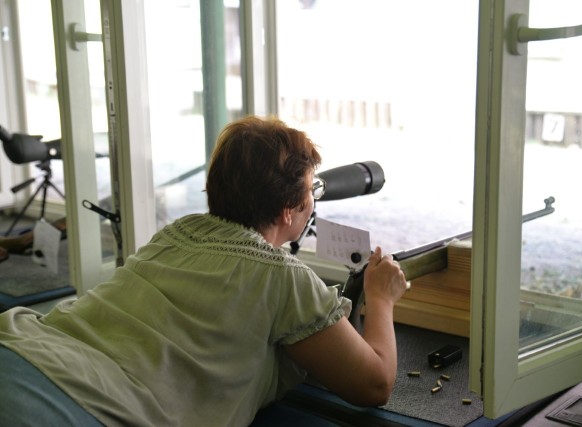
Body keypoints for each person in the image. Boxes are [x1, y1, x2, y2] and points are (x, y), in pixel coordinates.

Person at [0, 115, 407, 426]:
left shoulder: (177, 233)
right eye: (309, 190)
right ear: (289, 209)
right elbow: (374, 385)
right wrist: (382, 298)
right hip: (70, 408)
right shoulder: (281, 277)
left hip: (19, 351)